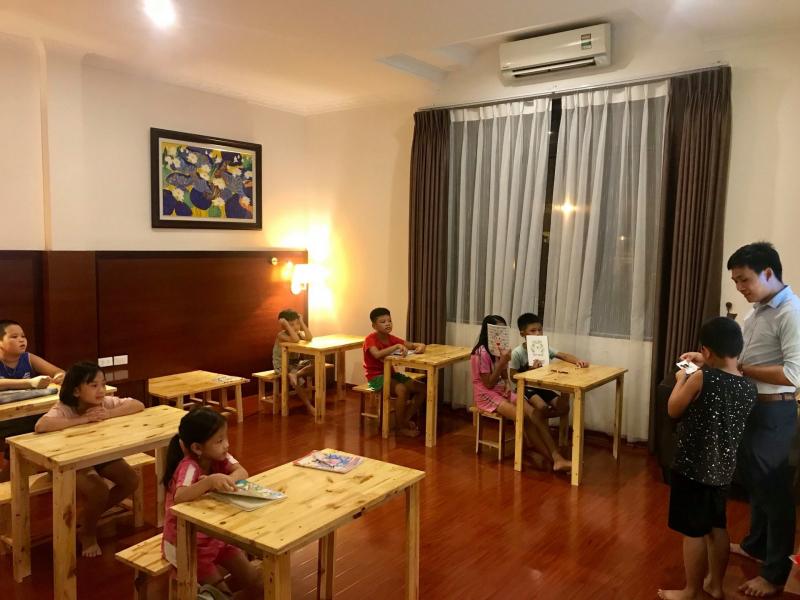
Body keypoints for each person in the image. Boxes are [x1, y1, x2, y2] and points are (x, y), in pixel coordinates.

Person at [683, 242, 800, 597]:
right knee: (757, 484)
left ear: (768, 272)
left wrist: (742, 369)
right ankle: (755, 545)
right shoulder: (757, 311)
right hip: (751, 407)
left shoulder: (790, 312)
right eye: (735, 281)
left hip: (774, 411)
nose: (739, 287)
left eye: (744, 279)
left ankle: (775, 574)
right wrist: (710, 360)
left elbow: (794, 374)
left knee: (776, 493)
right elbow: (740, 360)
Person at [658, 317, 757, 600]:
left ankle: (691, 590)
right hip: (723, 469)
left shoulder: (702, 377)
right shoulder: (749, 387)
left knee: (693, 531)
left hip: (693, 466)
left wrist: (682, 378)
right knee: (717, 526)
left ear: (707, 351)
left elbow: (674, 408)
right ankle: (715, 585)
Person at [34, 361, 144, 557]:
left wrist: (109, 414)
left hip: (98, 455)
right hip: (69, 461)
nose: (101, 390)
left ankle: (88, 517)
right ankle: (88, 533)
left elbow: (138, 404)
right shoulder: (65, 408)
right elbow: (41, 425)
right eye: (94, 385)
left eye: (103, 384)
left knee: (131, 480)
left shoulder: (104, 403)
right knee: (98, 490)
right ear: (76, 391)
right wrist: (83, 419)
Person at [161, 407, 261, 598]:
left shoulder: (219, 456)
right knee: (221, 595)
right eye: (219, 441)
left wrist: (225, 479)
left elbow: (242, 472)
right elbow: (180, 496)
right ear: (197, 448)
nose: (226, 445)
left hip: (215, 535)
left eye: (225, 438)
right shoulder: (189, 466)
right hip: (186, 543)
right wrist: (209, 482)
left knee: (253, 579)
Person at [471, 315, 571, 472]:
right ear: (488, 331)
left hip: (501, 390)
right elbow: (488, 383)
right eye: (497, 330)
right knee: (523, 417)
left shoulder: (498, 348)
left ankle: (556, 458)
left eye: (503, 330)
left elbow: (504, 375)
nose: (500, 333)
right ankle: (551, 458)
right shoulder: (481, 352)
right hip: (486, 394)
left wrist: (506, 382)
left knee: (535, 414)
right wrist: (502, 362)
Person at [0, 319, 66, 481]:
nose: (21, 340)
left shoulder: (28, 358)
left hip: (27, 415)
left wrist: (60, 376)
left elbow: (59, 371)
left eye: (23, 336)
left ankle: (54, 472)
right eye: (14, 337)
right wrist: (29, 383)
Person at [509, 312, 588, 431]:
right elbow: (512, 376)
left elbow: (563, 355)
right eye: (533, 331)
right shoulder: (517, 352)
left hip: (542, 386)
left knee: (564, 407)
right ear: (522, 333)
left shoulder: (544, 347)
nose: (538, 333)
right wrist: (529, 371)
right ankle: (537, 421)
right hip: (526, 388)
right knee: (542, 407)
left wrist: (578, 361)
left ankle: (537, 419)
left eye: (540, 330)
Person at [362, 307, 426, 437]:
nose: (388, 324)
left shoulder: (391, 338)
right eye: (383, 322)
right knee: (401, 389)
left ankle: (404, 419)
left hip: (391, 375)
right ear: (374, 325)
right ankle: (400, 427)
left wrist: (420, 346)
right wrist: (396, 347)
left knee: (422, 388)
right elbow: (377, 354)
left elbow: (411, 345)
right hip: (375, 378)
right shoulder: (370, 339)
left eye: (389, 321)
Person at [272, 309, 314, 415]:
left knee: (316, 363)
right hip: (282, 365)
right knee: (296, 383)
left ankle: (295, 374)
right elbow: (295, 340)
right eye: (291, 324)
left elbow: (309, 338)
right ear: (284, 326)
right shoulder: (281, 335)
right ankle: (309, 406)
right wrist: (286, 324)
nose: (295, 327)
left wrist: (302, 322)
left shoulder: (298, 333)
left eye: (297, 324)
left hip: (295, 364)